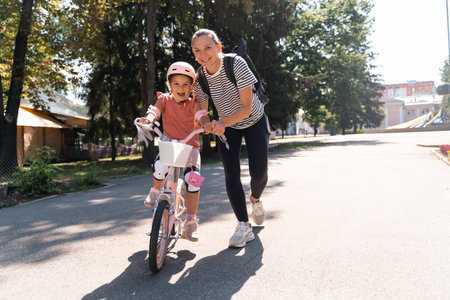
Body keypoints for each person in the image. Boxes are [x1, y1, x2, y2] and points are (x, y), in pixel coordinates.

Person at [191, 29, 270, 248]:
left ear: (218, 47)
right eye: (197, 50)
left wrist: (221, 122)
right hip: (226, 128)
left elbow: (245, 107)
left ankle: (255, 199)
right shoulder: (200, 77)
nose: (203, 54)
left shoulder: (235, 64)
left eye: (208, 48)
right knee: (231, 173)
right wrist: (205, 122)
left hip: (253, 120)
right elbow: (201, 108)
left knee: (259, 172)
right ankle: (244, 225)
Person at [139, 61, 205, 242]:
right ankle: (155, 191)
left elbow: (200, 115)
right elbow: (155, 110)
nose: (181, 88)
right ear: (169, 85)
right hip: (169, 146)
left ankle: (191, 222)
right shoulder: (164, 100)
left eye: (186, 84)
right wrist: (149, 119)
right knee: (159, 167)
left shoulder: (194, 103)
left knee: (193, 181)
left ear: (192, 86)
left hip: (190, 148)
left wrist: (205, 123)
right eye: (176, 84)